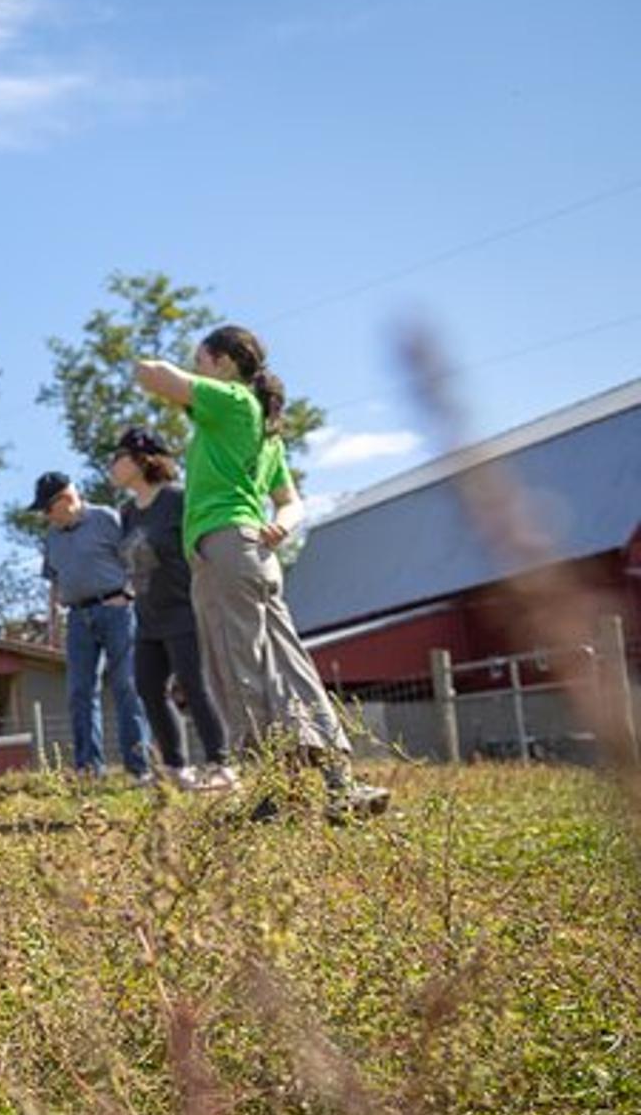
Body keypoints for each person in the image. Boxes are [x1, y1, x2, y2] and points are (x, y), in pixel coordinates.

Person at [134, 326, 389, 820]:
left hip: (224, 550)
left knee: (237, 667)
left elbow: (154, 376)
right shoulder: (266, 431)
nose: (198, 370)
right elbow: (291, 503)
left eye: (202, 361)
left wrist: (148, 363)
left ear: (225, 364)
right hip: (256, 553)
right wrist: (279, 529)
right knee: (288, 665)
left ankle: (276, 792)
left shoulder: (230, 401)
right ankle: (339, 782)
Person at [106, 426, 234, 790]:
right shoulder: (128, 512)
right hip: (147, 616)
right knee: (147, 687)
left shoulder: (177, 499)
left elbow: (202, 548)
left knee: (196, 685)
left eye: (118, 457)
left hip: (185, 609)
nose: (113, 466)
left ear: (141, 458)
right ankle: (177, 769)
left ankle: (220, 765)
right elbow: (135, 562)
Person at [31, 471, 153, 782]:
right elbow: (54, 581)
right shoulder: (53, 536)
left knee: (127, 686)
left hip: (117, 611)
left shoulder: (106, 519)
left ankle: (139, 767)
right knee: (79, 692)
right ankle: (89, 768)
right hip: (77, 618)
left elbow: (137, 559)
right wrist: (52, 625)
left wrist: (128, 593)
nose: (45, 516)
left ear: (66, 499)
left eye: (47, 508)